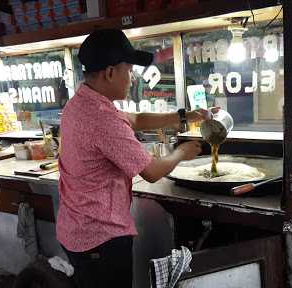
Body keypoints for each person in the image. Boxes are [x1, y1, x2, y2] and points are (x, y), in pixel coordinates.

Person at [56, 29, 212, 288]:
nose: (131, 78)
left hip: (76, 228)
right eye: (128, 70)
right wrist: (181, 153)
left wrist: (185, 116)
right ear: (109, 72)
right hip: (100, 237)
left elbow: (136, 119)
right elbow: (150, 171)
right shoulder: (101, 118)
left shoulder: (81, 102)